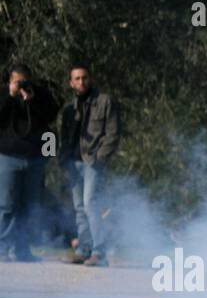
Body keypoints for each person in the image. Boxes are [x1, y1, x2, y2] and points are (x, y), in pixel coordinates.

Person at [57, 64, 119, 266]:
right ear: (71, 82)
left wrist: (100, 157)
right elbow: (64, 137)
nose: (81, 82)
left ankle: (99, 252)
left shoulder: (105, 101)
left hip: (92, 162)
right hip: (73, 163)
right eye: (76, 78)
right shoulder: (69, 108)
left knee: (91, 204)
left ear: (90, 79)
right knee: (79, 207)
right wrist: (62, 158)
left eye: (84, 78)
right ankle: (83, 249)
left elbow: (113, 133)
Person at [0, 64, 58, 262]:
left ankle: (22, 248)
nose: (22, 85)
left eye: (25, 81)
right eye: (18, 81)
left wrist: (32, 100)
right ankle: (3, 247)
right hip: (8, 157)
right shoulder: (4, 96)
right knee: (7, 205)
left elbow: (51, 116)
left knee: (28, 206)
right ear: (10, 82)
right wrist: (10, 95)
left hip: (34, 159)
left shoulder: (40, 95)